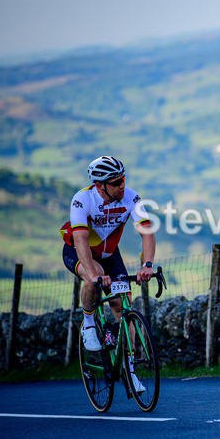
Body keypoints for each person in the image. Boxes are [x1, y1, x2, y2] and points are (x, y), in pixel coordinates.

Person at [60, 156, 155, 393]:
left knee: (123, 306)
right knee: (96, 276)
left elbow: (147, 232)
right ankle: (90, 323)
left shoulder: (131, 196)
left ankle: (129, 370)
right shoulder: (83, 200)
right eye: (116, 182)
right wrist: (92, 274)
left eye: (123, 179)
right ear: (100, 185)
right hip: (79, 251)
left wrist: (148, 265)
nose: (122, 185)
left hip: (110, 253)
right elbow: (81, 240)